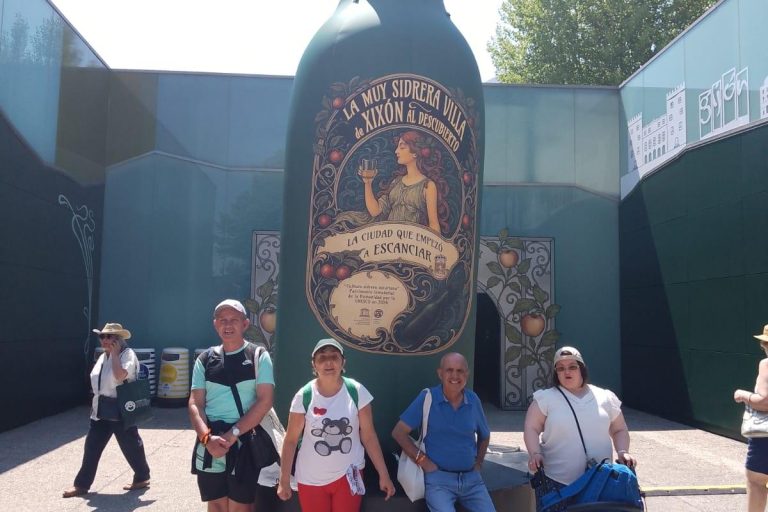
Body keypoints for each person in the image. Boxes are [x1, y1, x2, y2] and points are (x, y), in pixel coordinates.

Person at [277, 338, 395, 511]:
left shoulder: (357, 391)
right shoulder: (304, 396)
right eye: (322, 358)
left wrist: (384, 475)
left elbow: (369, 436)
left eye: (334, 356)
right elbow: (291, 440)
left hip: (349, 475)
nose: (329, 362)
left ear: (343, 362)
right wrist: (284, 480)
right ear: (314, 365)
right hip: (311, 479)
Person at [188, 299, 275, 512]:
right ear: (215, 324)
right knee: (216, 504)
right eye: (222, 320)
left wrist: (233, 434)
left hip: (244, 442)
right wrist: (206, 439)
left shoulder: (258, 356)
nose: (228, 325)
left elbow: (265, 400)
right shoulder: (204, 359)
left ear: (245, 324)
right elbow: (195, 403)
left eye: (234, 320)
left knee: (240, 507)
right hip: (210, 442)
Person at [524, 346, 636, 508]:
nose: (566, 372)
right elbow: (531, 428)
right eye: (560, 368)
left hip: (598, 481)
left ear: (582, 369)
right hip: (556, 484)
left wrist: (623, 451)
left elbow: (619, 429)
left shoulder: (605, 397)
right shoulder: (545, 399)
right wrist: (535, 453)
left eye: (572, 367)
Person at [392, 352, 495, 512]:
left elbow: (485, 436)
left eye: (460, 371)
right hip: (439, 481)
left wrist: (478, 463)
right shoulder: (428, 397)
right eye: (449, 370)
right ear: (440, 373)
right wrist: (424, 461)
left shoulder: (473, 399)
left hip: (472, 480)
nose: (455, 375)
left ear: (467, 375)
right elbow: (399, 432)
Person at [63, 322, 151, 498]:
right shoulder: (104, 356)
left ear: (118, 339)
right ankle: (81, 485)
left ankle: (142, 476)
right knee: (92, 446)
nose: (104, 339)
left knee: (131, 445)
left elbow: (119, 376)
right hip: (101, 409)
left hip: (121, 408)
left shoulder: (127, 355)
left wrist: (116, 355)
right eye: (102, 336)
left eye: (109, 336)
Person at [359, 130, 450, 235]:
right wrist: (368, 183)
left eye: (402, 147)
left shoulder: (428, 186)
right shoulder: (396, 182)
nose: (396, 151)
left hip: (413, 243)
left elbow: (433, 224)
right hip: (388, 240)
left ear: (415, 153)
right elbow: (375, 211)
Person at [734, 324, 768, 512]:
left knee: (756, 481)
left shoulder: (766, 364)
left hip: (765, 438)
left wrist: (743, 395)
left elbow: (764, 401)